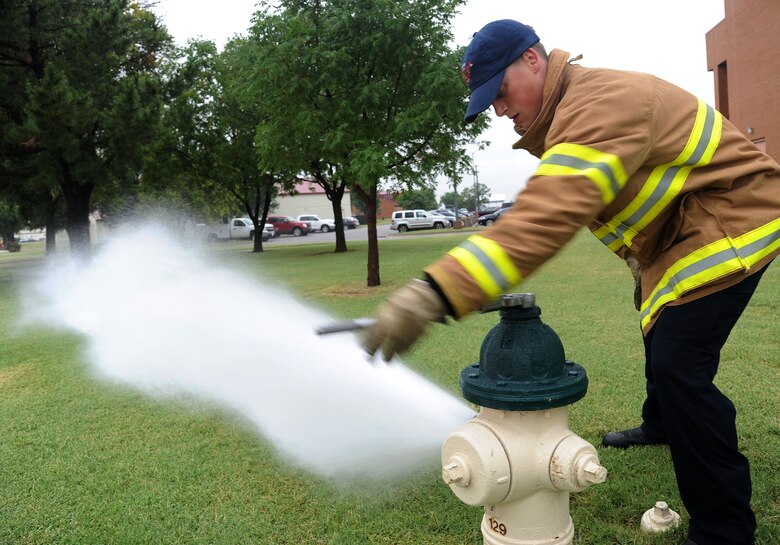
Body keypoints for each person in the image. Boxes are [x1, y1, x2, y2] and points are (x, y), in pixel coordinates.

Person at [362, 19, 780, 545]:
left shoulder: (600, 103)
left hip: (734, 220)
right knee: (660, 330)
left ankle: (725, 530)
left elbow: (547, 212)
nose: (498, 109)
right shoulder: (570, 114)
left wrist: (438, 290)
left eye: (501, 91)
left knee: (679, 365)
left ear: (533, 60)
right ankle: (663, 424)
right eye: (488, 100)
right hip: (680, 233)